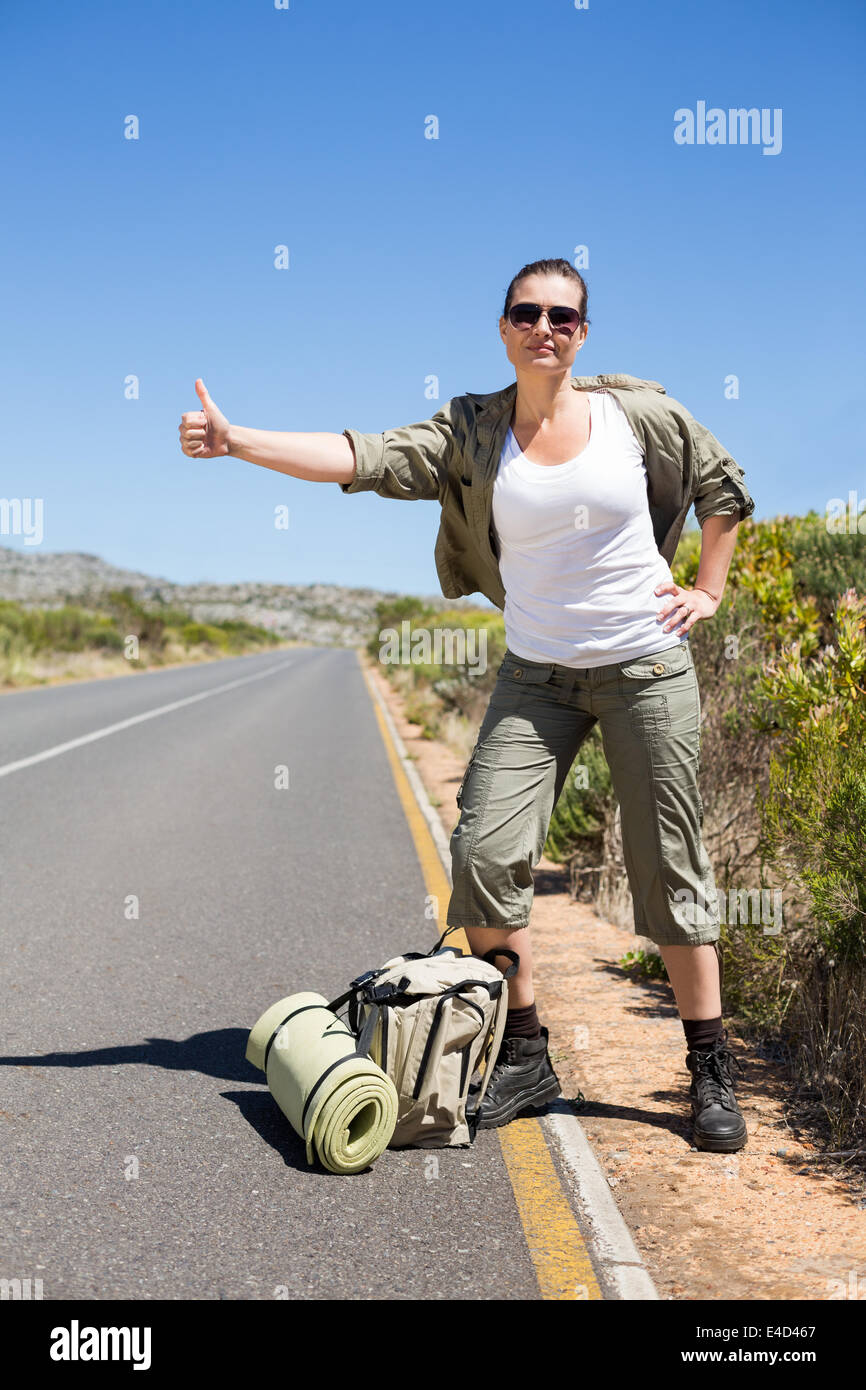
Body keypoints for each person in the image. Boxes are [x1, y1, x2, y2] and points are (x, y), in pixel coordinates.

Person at [178, 257, 756, 1154]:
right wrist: (237, 440)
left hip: (646, 667)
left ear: (583, 334)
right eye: (527, 313)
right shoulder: (472, 433)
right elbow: (361, 456)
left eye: (563, 317)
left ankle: (709, 1067)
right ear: (503, 328)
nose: (545, 329)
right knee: (485, 850)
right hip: (538, 677)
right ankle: (525, 1049)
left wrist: (708, 591)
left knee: (667, 864)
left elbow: (725, 489)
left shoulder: (638, 416)